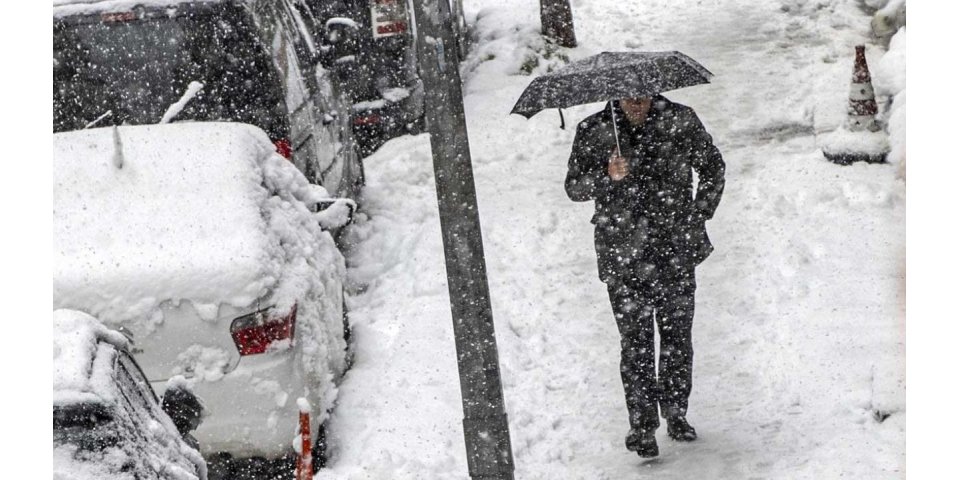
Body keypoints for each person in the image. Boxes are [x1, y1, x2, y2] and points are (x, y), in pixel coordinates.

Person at [565, 95, 725, 458]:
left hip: (675, 248)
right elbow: (574, 187)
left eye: (642, 96)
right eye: (628, 97)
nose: (636, 103)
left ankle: (675, 412)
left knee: (676, 337)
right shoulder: (594, 130)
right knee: (635, 343)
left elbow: (713, 166)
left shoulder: (680, 120)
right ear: (615, 96)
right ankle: (642, 425)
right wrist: (606, 175)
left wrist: (699, 213)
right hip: (622, 253)